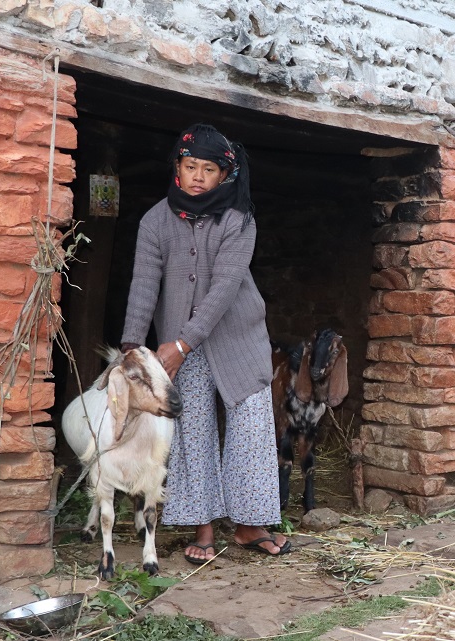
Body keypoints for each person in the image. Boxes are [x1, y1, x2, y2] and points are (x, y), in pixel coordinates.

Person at [121, 123, 290, 564]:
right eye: (190, 165)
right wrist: (133, 347)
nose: (197, 175)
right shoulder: (155, 221)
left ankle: (250, 524)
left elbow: (225, 287)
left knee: (251, 425)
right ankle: (204, 527)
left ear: (223, 175)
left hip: (238, 336)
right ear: (177, 167)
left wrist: (182, 343)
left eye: (208, 168)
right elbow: (143, 285)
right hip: (177, 346)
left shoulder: (239, 220)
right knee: (192, 430)